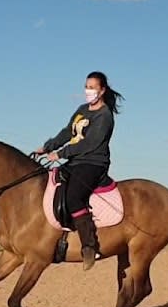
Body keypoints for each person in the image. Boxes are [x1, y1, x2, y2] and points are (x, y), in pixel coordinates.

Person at [34, 71, 123, 270]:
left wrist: (61, 153)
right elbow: (68, 132)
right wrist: (48, 146)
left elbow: (90, 143)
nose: (88, 91)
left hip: (93, 162)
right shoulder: (82, 109)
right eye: (87, 86)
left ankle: (90, 246)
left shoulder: (104, 115)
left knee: (74, 197)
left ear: (102, 90)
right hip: (75, 161)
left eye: (92, 87)